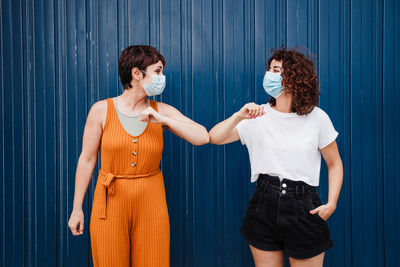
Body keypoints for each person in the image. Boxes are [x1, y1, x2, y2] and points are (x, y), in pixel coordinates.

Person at [67, 45, 209, 267]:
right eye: (158, 71)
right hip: (110, 202)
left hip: (152, 202)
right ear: (136, 73)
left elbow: (202, 137)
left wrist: (164, 121)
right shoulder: (101, 110)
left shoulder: (160, 110)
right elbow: (87, 159)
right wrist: (77, 209)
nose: (162, 77)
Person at [209, 48, 343, 267]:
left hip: (303, 206)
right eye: (270, 69)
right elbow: (214, 137)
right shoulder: (256, 115)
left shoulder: (317, 118)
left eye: (277, 70)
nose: (270, 75)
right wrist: (237, 116)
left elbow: (335, 163)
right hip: (263, 203)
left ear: (294, 78)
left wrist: (332, 203)